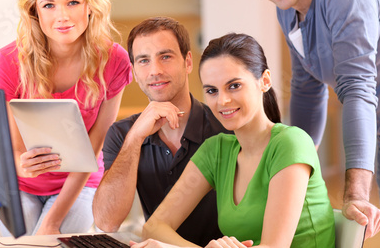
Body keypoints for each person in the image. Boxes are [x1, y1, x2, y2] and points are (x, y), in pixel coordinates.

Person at [231, 0, 380, 238]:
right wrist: (294, 163)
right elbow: (306, 85)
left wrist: (355, 194)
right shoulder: (287, 7)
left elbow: (357, 88)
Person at [132, 33, 335, 248]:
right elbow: (153, 227)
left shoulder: (290, 143)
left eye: (234, 85)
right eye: (212, 90)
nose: (222, 101)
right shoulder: (216, 151)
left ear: (264, 81)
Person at [0, 0, 132, 235]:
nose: (62, 16)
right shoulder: (7, 62)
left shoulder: (114, 60)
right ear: (35, 11)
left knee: (49, 240)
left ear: (90, 5)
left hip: (80, 183)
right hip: (20, 185)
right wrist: (21, 165)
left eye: (72, 2)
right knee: (18, 240)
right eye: (48, 5)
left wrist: (52, 221)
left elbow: (93, 148)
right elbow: (13, 150)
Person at [92, 17, 228, 246]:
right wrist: (135, 138)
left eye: (165, 57)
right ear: (134, 72)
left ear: (187, 62)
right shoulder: (122, 133)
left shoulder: (224, 127)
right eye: (143, 61)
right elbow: (107, 222)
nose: (155, 70)